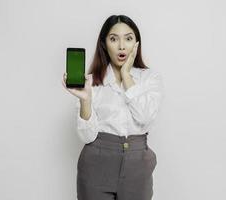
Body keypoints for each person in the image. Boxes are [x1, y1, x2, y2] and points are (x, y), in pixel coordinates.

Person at [62, 14, 164, 200]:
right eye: (113, 39)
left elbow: (145, 117)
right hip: (96, 164)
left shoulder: (149, 79)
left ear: (136, 44)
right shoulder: (91, 82)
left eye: (128, 38)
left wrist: (126, 75)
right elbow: (87, 136)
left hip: (138, 165)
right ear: (104, 44)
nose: (122, 46)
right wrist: (85, 99)